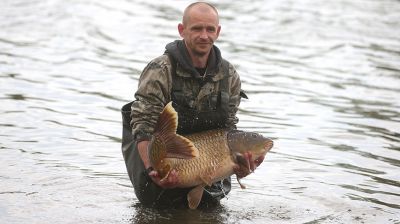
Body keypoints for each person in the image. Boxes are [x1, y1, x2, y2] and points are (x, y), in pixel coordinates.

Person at [121, 2, 265, 208]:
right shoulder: (160, 69)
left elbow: (229, 129)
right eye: (197, 28)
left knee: (208, 210)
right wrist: (155, 171)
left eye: (210, 29)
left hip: (207, 164)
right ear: (182, 30)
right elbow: (143, 127)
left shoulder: (230, 75)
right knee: (158, 212)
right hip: (159, 160)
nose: (204, 36)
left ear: (218, 32)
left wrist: (240, 168)